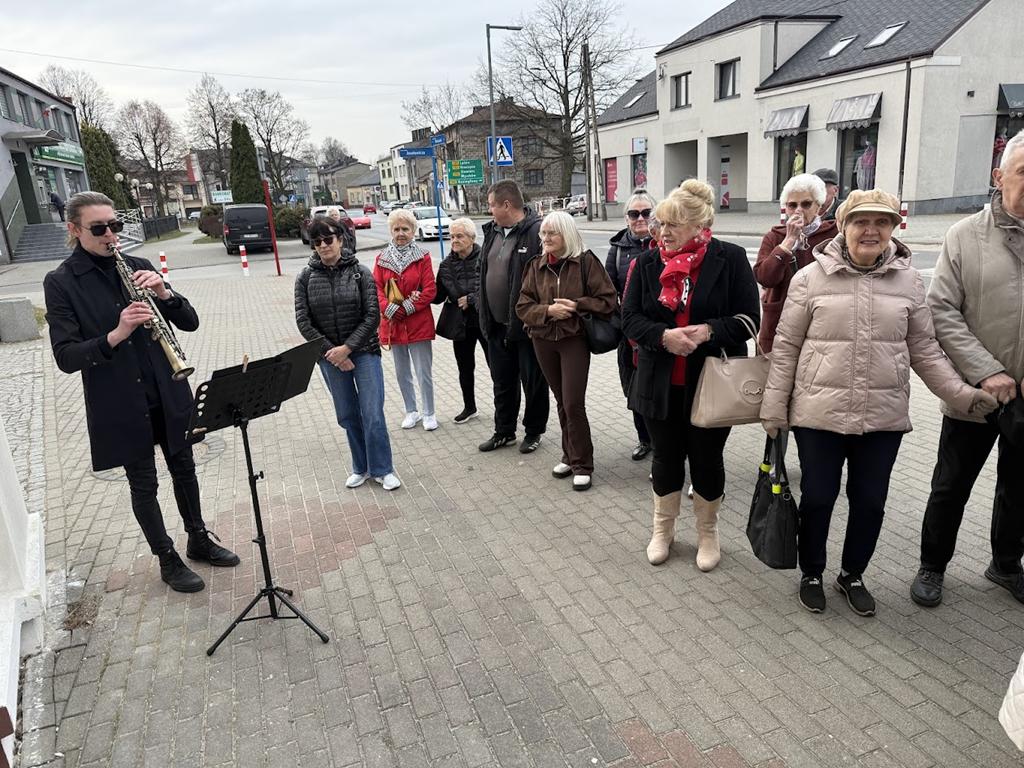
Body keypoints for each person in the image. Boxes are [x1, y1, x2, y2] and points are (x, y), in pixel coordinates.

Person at [760, 189, 997, 617]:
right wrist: (774, 408)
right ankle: (811, 571)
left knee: (869, 502)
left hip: (882, 418)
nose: (871, 230)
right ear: (844, 226)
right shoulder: (808, 278)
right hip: (819, 415)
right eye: (861, 221)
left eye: (882, 222)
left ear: (893, 229)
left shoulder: (909, 281)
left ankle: (852, 574)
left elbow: (925, 351)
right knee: (818, 498)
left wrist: (962, 395)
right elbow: (787, 346)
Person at [43, 191, 239, 593]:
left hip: (166, 388)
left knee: (184, 468)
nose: (111, 234)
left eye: (115, 225)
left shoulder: (139, 266)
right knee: (143, 482)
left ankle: (198, 539)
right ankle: (166, 558)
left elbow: (191, 322)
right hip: (120, 399)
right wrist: (116, 334)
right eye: (99, 228)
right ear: (74, 229)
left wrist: (165, 293)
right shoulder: (61, 282)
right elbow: (65, 356)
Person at [621, 180, 760, 571]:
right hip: (659, 382)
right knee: (665, 459)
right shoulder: (646, 263)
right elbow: (629, 319)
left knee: (707, 461)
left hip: (712, 384)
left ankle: (707, 533)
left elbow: (751, 319)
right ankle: (662, 531)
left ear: (700, 227)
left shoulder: (729, 258)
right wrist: (664, 337)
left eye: (673, 226)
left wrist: (708, 331)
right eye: (661, 225)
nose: (663, 233)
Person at [911, 129, 1024, 607]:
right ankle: (932, 566)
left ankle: (1005, 565)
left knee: (1019, 489)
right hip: (976, 395)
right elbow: (941, 311)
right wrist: (987, 372)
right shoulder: (965, 236)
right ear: (999, 177)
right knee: (950, 486)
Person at [295, 216, 401, 491]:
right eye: (316, 241)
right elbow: (303, 321)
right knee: (347, 414)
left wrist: (348, 348)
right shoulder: (305, 278)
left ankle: (383, 468)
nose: (323, 245)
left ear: (340, 239)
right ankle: (361, 467)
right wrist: (333, 352)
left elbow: (372, 316)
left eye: (328, 239)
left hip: (363, 351)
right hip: (330, 358)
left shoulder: (360, 272)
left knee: (372, 412)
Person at [516, 211, 617, 491]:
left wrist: (576, 305)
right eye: (543, 234)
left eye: (552, 233)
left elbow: (608, 300)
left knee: (573, 403)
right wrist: (548, 310)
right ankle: (569, 456)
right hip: (543, 339)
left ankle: (583, 464)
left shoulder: (585, 262)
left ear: (566, 234)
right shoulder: (535, 265)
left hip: (574, 340)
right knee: (561, 401)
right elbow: (522, 307)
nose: (545, 238)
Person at [476, 180, 549, 453]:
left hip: (526, 328)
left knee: (533, 383)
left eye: (492, 204)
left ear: (507, 205)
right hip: (496, 325)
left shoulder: (536, 233)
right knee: (502, 382)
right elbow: (481, 273)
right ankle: (504, 431)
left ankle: (533, 431)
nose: (489, 209)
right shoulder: (492, 232)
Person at [753, 173, 838, 353]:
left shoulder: (833, 234)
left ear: (818, 206)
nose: (798, 210)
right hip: (780, 319)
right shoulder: (774, 237)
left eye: (806, 204)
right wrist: (788, 242)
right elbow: (765, 277)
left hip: (822, 321)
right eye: (792, 205)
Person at [373, 209, 437, 430]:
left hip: (418, 322)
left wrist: (409, 307)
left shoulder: (423, 257)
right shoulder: (381, 259)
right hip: (393, 325)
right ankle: (411, 411)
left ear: (413, 231)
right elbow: (376, 289)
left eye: (405, 229)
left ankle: (429, 412)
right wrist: (389, 308)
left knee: (423, 371)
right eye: (396, 229)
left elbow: (430, 289)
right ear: (391, 231)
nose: (400, 233)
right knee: (402, 372)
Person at [607, 189, 657, 461]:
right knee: (633, 387)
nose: (640, 218)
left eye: (646, 213)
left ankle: (663, 441)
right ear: (626, 218)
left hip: (656, 331)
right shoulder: (617, 249)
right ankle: (644, 439)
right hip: (628, 333)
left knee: (658, 389)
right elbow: (606, 287)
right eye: (634, 213)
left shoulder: (663, 243)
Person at [434, 217, 488, 424]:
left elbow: (494, 287)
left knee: (497, 366)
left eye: (459, 236)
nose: (454, 240)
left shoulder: (485, 257)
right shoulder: (446, 264)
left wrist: (472, 299)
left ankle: (506, 408)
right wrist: (417, 290)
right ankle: (469, 407)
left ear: (472, 238)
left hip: (484, 321)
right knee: (465, 367)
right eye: (451, 236)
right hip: (460, 324)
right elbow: (437, 296)